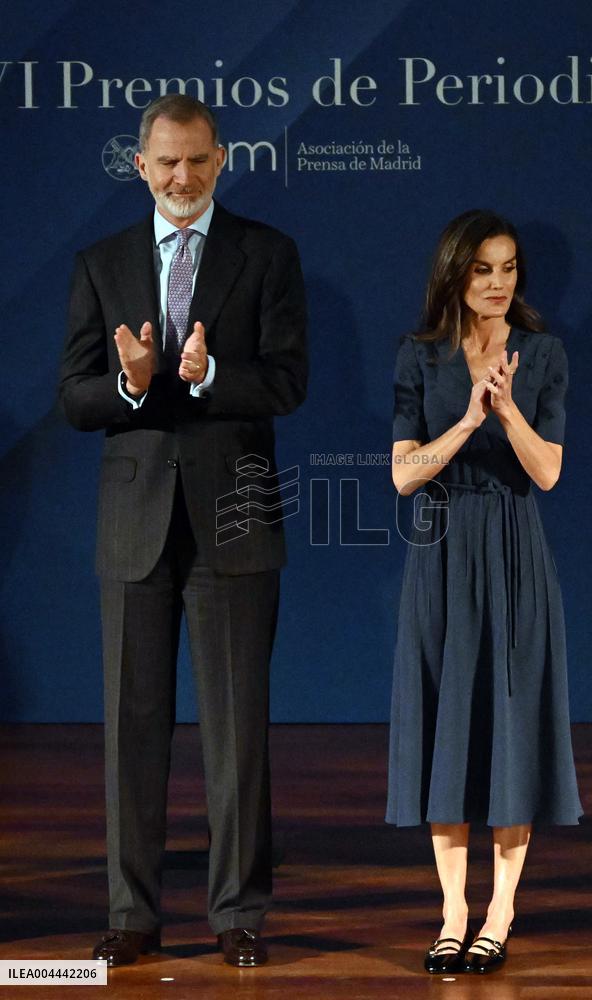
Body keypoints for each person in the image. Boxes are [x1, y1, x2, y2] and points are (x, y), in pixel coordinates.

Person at [59, 94, 307, 968]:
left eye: (197, 161)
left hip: (234, 520)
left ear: (221, 159)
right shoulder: (102, 261)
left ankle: (239, 910)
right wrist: (131, 385)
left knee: (237, 727)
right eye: (166, 161)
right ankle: (131, 913)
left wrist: (208, 377)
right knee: (132, 727)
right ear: (140, 164)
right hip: (134, 525)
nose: (182, 177)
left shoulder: (267, 253)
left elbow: (286, 384)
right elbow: (73, 396)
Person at [385, 210, 582, 975]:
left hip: (511, 551)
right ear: (455, 275)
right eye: (482, 270)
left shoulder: (545, 355)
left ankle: (499, 912)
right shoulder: (420, 356)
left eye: (507, 269)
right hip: (439, 551)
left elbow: (547, 472)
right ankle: (452, 913)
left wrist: (507, 410)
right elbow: (404, 474)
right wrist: (469, 419)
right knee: (443, 724)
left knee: (508, 721)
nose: (498, 284)